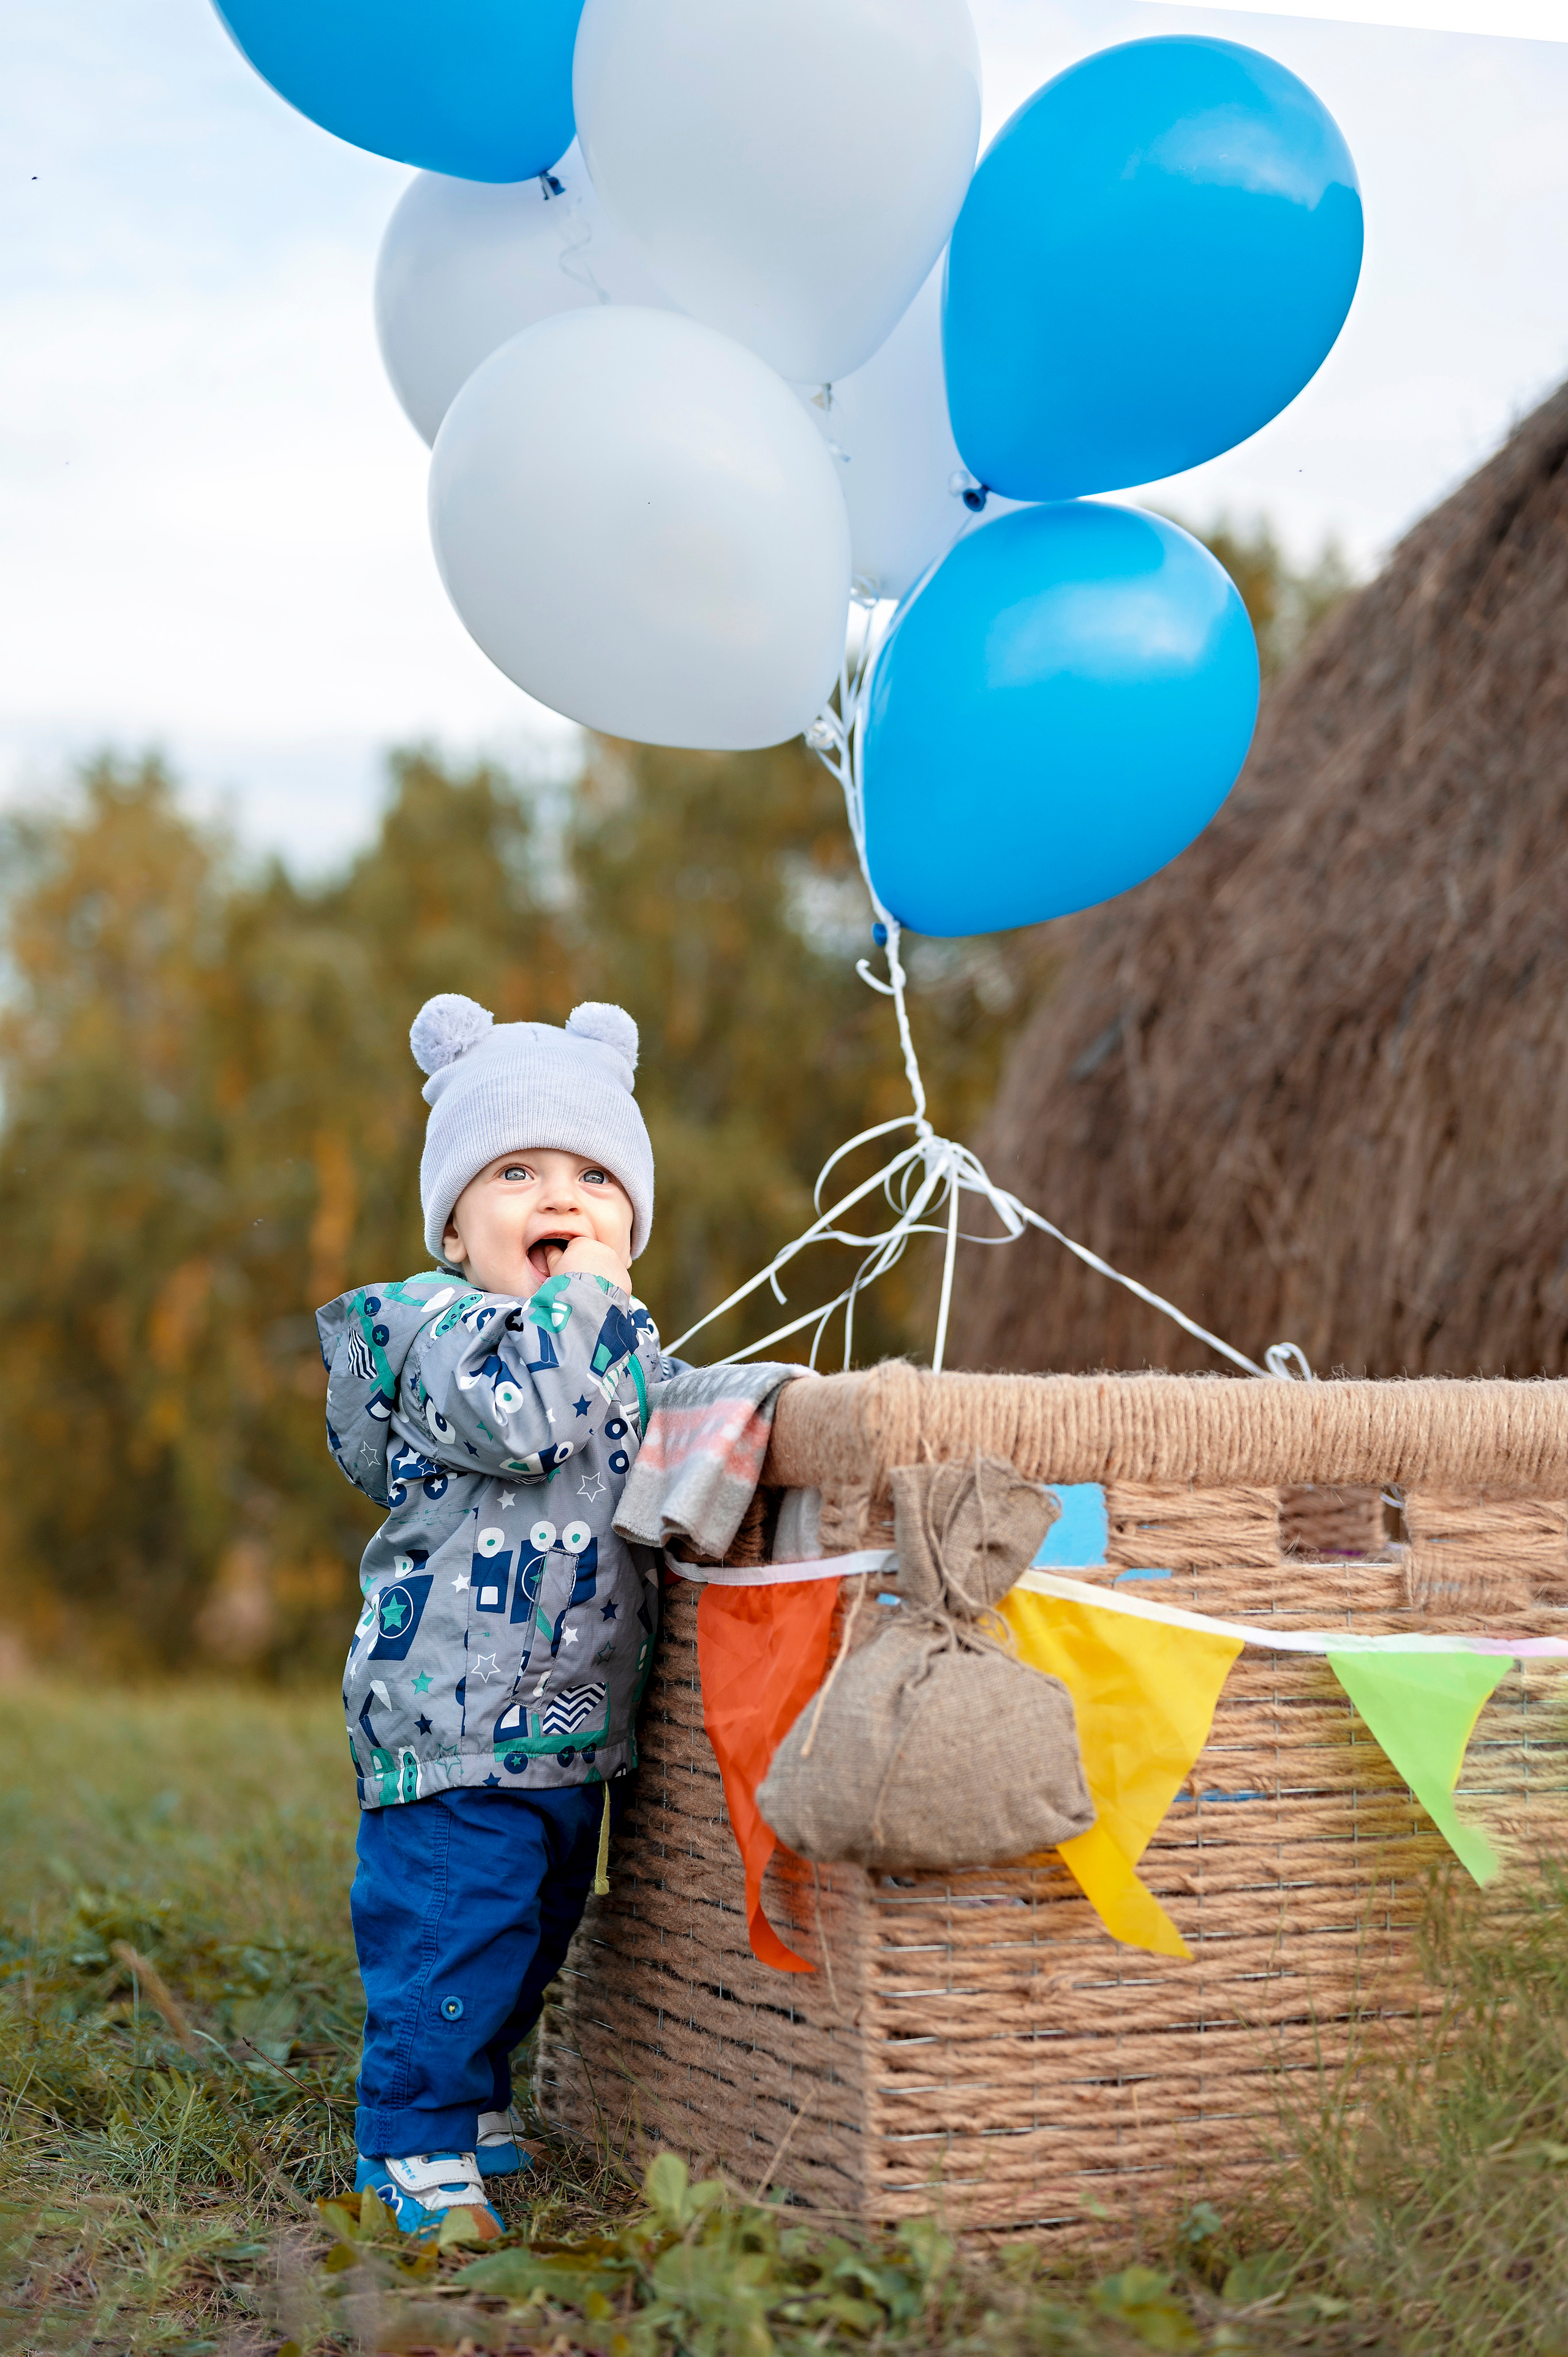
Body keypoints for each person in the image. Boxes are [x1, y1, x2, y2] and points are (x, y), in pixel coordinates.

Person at [316, 993, 674, 2237]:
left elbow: (668, 1441)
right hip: (452, 1722)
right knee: (450, 1937)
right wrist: (589, 1306)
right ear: (457, 1229)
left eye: (591, 1174)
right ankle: (408, 2137)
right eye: (514, 1171)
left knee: (533, 1932)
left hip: (569, 1720)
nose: (558, 1198)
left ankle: (467, 2107)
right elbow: (519, 1418)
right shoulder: (435, 1334)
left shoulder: (608, 1340)